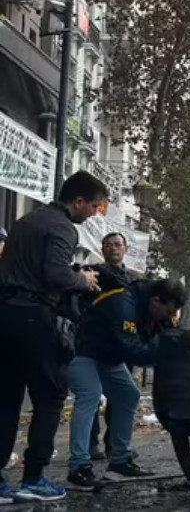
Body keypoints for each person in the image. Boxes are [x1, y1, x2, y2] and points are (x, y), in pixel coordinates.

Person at [0, 171, 105, 503]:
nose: (93, 214)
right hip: (37, 319)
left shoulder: (25, 221)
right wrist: (84, 280)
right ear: (77, 201)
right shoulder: (62, 227)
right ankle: (33, 478)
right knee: (50, 396)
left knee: (6, 399)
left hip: (6, 315)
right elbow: (56, 274)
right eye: (93, 207)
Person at [66, 276, 184, 488]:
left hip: (109, 357)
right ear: (156, 301)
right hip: (83, 350)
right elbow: (134, 350)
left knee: (128, 395)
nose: (170, 316)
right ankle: (79, 466)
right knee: (90, 395)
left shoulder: (158, 311)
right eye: (168, 311)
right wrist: (164, 357)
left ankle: (121, 460)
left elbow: (171, 336)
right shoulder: (123, 304)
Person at [86, 233, 140, 461]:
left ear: (125, 249)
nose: (113, 249)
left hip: (123, 345)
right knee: (91, 396)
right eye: (108, 245)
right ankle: (90, 445)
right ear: (102, 249)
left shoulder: (133, 279)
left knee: (120, 396)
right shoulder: (94, 274)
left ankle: (114, 444)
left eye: (118, 245)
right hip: (95, 344)